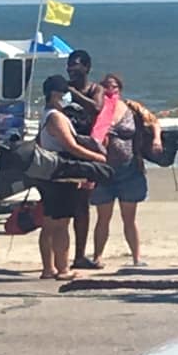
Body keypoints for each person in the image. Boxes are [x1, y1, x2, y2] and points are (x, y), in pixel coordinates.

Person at [37, 75, 107, 281]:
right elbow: (71, 145)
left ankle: (48, 268)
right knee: (61, 224)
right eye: (64, 93)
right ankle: (63, 269)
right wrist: (97, 158)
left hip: (48, 174)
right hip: (62, 175)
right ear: (55, 94)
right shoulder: (56, 117)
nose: (68, 97)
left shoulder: (45, 114)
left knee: (49, 223)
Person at [90, 74, 161, 268]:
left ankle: (136, 258)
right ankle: (97, 257)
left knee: (129, 218)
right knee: (103, 218)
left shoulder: (131, 107)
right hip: (103, 171)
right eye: (106, 86)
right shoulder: (97, 109)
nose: (110, 89)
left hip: (129, 169)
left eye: (114, 86)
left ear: (120, 89)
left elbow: (153, 121)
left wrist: (157, 140)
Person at [65, 50, 105, 269]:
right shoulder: (64, 89)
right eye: (69, 65)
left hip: (86, 150)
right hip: (66, 148)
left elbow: (97, 108)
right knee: (62, 206)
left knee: (82, 205)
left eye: (76, 65)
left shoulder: (95, 89)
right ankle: (59, 255)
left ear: (87, 68)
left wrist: (74, 93)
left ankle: (79, 255)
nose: (71, 69)